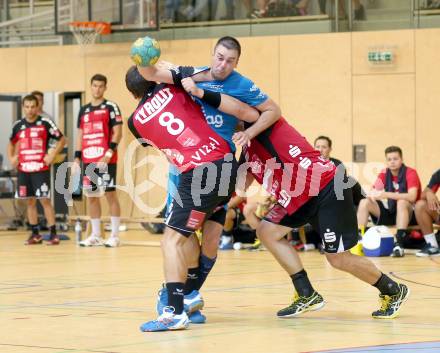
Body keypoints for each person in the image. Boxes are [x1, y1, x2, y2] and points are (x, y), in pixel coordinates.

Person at [138, 36, 281, 323]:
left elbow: (269, 112)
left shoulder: (241, 85)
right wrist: (144, 58)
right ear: (212, 54)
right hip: (186, 168)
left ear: (237, 62)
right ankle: (182, 297)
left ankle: (183, 298)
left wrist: (248, 134)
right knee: (185, 234)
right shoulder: (194, 74)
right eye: (219, 57)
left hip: (219, 166)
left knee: (207, 238)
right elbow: (152, 74)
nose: (222, 64)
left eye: (229, 60)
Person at [125, 65, 261, 331]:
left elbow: (155, 142)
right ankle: (191, 296)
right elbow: (196, 75)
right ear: (155, 76)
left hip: (197, 171)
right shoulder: (172, 85)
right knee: (206, 233)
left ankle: (174, 311)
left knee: (172, 240)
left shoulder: (134, 121)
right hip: (225, 164)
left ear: (132, 93)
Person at [233, 117, 410, 319]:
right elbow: (239, 186)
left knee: (338, 259)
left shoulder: (262, 124)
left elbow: (265, 109)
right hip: (297, 198)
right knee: (266, 231)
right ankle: (306, 293)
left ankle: (393, 290)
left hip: (326, 189)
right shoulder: (246, 150)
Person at [7, 94, 65, 245]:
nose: (30, 110)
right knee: (30, 202)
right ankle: (35, 234)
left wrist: (52, 155)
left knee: (44, 200)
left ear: (37, 106)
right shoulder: (18, 125)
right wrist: (12, 157)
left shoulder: (45, 122)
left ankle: (53, 234)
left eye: (33, 106)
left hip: (40, 168)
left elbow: (62, 139)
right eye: (27, 107)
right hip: (24, 169)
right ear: (23, 107)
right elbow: (11, 143)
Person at [73, 74, 123, 248]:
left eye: (101, 86)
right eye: (94, 86)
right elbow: (80, 135)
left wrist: (108, 154)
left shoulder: (111, 107)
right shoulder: (84, 110)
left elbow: (118, 132)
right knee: (92, 197)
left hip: (106, 160)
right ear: (91, 86)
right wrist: (77, 158)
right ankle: (95, 235)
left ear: (105, 87)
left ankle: (115, 236)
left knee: (110, 194)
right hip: (88, 160)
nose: (97, 89)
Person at [357, 146, 421, 257]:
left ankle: (399, 243)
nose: (392, 162)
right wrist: (373, 195)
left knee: (402, 202)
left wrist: (386, 194)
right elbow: (373, 191)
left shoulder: (410, 173)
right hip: (392, 211)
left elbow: (412, 197)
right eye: (389, 159)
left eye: (395, 159)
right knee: (364, 202)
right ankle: (359, 237)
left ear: (401, 159)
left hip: (411, 214)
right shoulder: (384, 173)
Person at [314, 135, 364, 206]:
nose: (320, 150)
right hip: (317, 196)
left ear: (330, 149)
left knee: (351, 181)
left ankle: (363, 206)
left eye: (324, 147)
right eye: (317, 147)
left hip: (334, 195)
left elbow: (341, 182)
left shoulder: (337, 163)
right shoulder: (309, 164)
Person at [414, 169, 440, 256]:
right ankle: (433, 246)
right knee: (420, 205)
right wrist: (429, 193)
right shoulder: (438, 174)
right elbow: (422, 195)